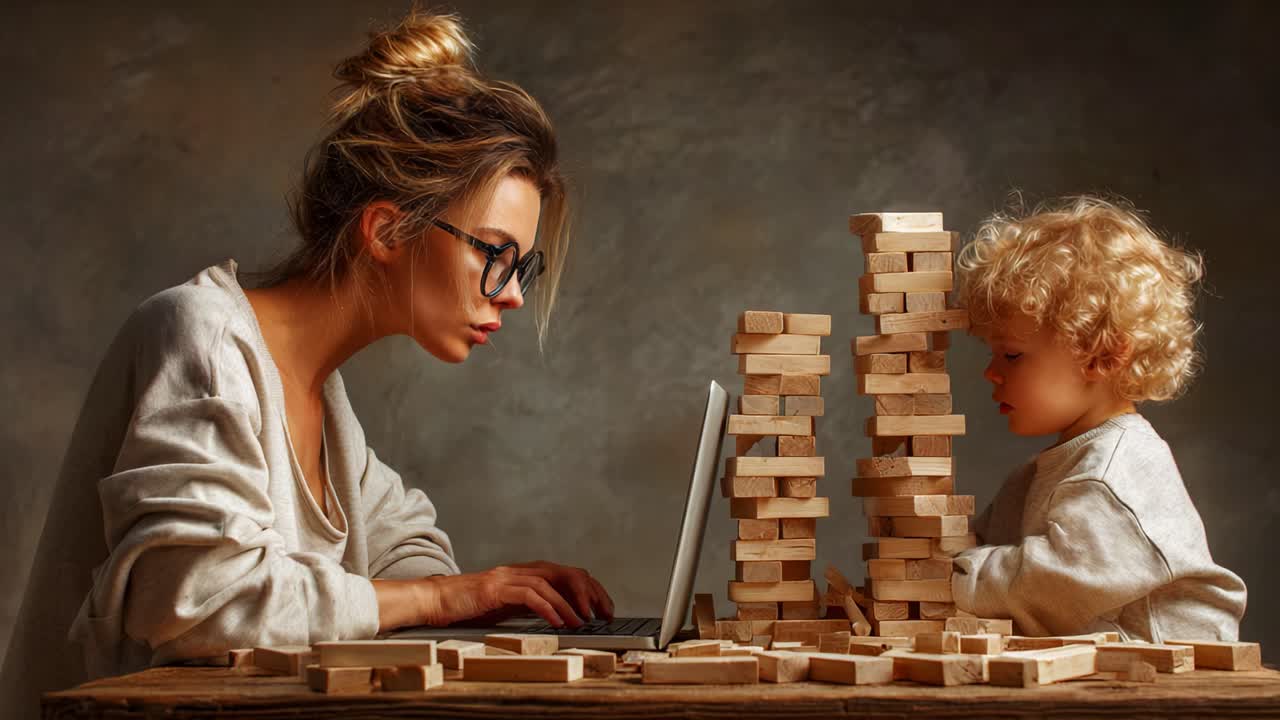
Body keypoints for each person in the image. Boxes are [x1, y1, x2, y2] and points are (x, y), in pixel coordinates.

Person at [0, 8, 613, 709]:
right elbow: (200, 601)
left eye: (521, 267)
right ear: (385, 231)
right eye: (493, 253)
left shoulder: (327, 407)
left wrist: (473, 595)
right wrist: (441, 597)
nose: (510, 297)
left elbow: (409, 557)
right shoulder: (201, 336)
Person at [950, 194, 1246, 641]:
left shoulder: (1114, 470)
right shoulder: (1032, 478)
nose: (990, 372)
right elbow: (980, 549)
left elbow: (1062, 580)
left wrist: (953, 574)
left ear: (1102, 356)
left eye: (1011, 355)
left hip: (1173, 675)